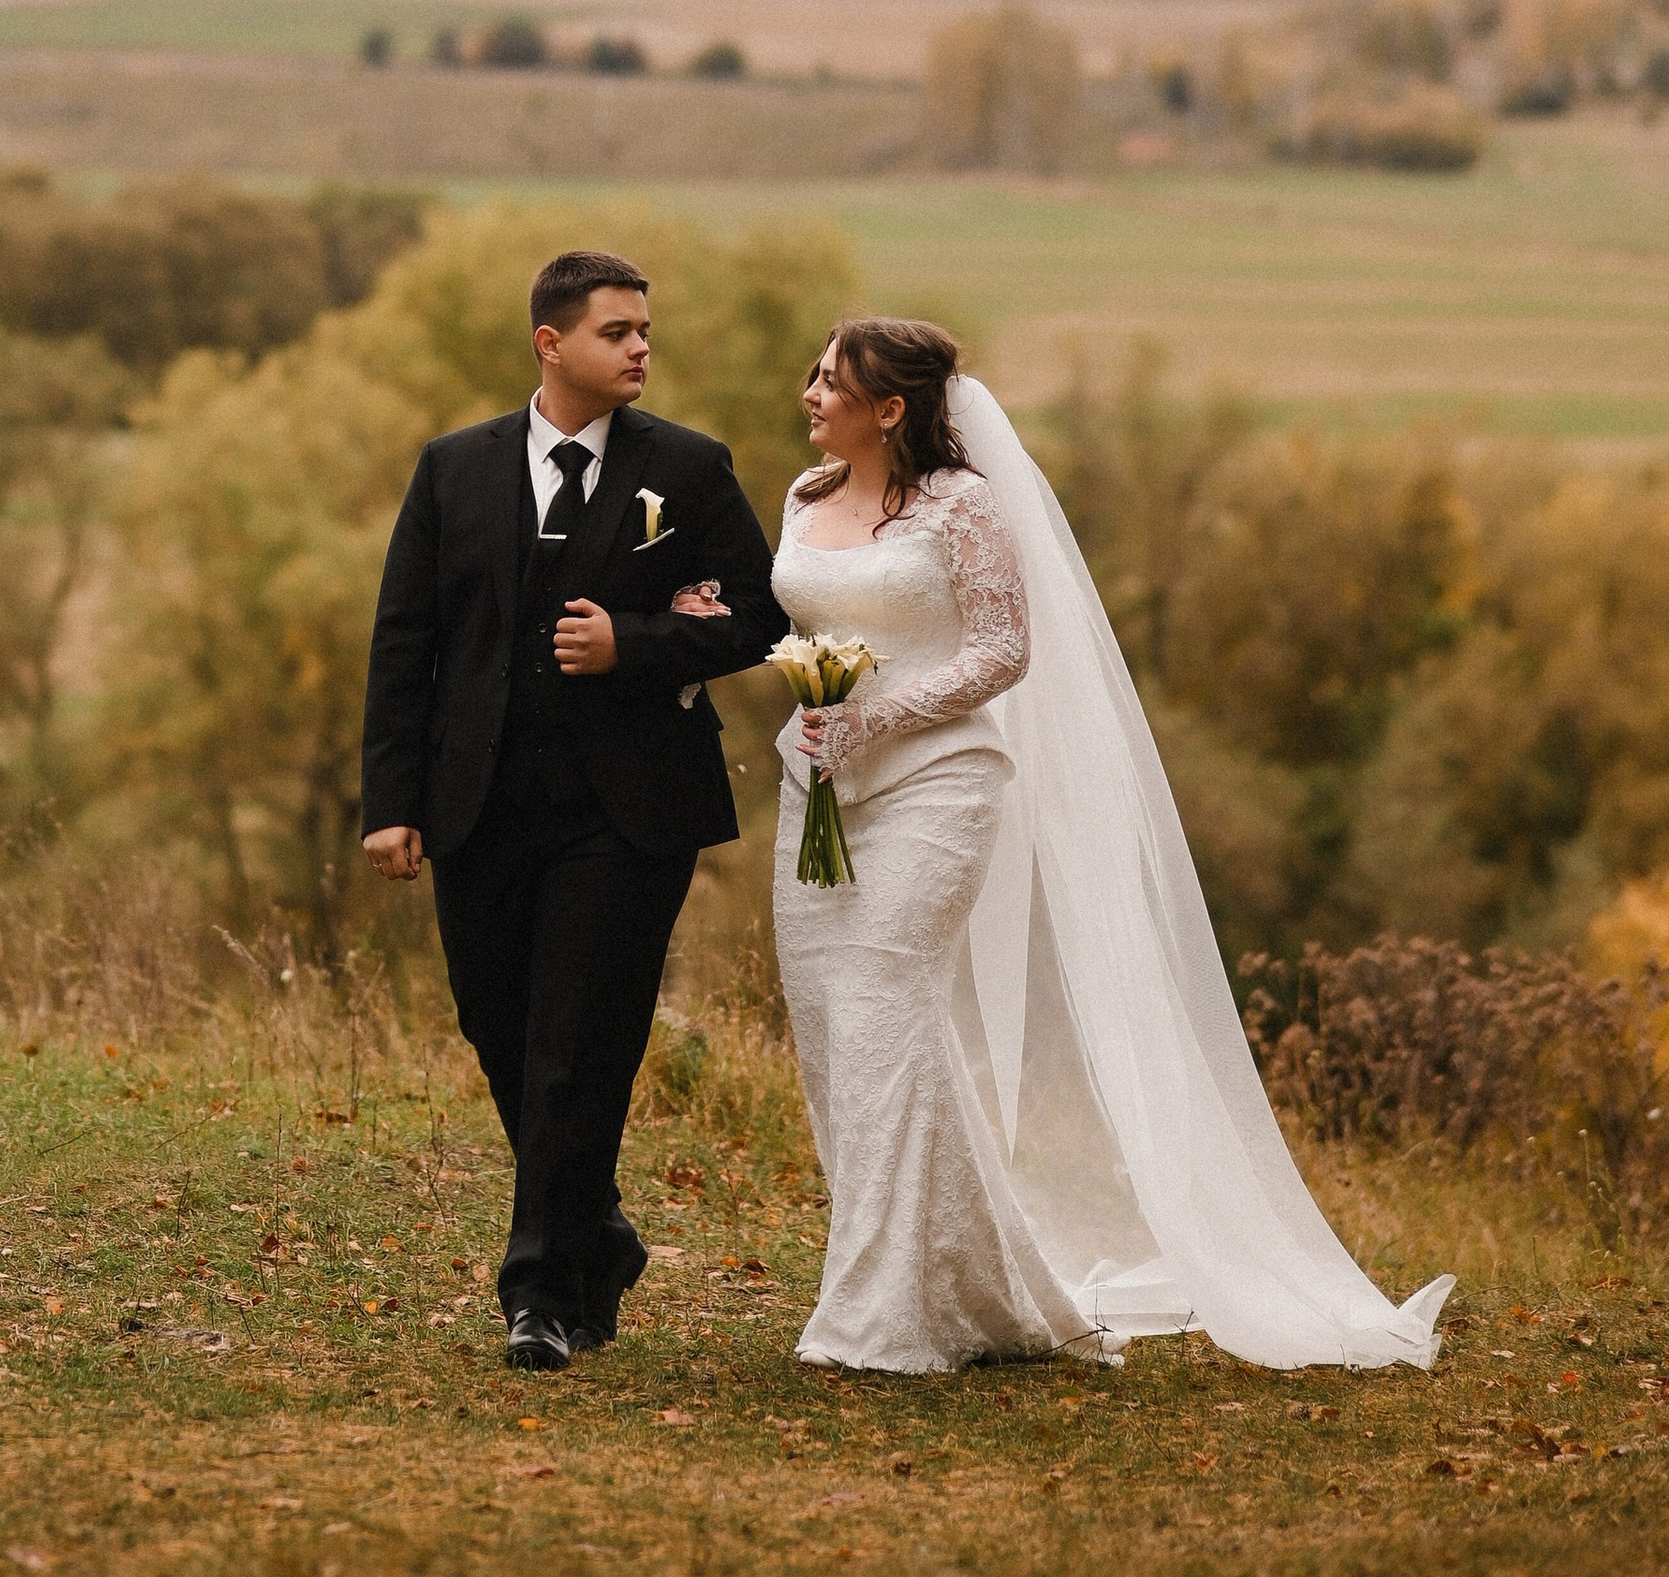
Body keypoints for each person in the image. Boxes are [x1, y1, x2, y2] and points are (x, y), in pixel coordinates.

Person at [719, 316, 1450, 1376]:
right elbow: (789, 614)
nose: (810, 393)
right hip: (819, 782)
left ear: (890, 408)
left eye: (832, 382)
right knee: (841, 1029)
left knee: (881, 1004)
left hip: (937, 781)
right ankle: (976, 1288)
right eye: (815, 374)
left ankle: (872, 1312)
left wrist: (880, 715)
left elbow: (1002, 649)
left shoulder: (962, 505)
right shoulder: (804, 494)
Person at [359, 248, 782, 1372]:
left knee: (577, 1047)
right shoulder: (453, 467)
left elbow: (759, 613)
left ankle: (540, 1293)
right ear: (551, 343)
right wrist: (390, 800)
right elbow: (405, 638)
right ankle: (599, 1234)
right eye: (615, 330)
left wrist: (632, 643)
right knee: (498, 1028)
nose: (640, 347)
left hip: (627, 814)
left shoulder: (687, 467)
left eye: (644, 329)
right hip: (478, 805)